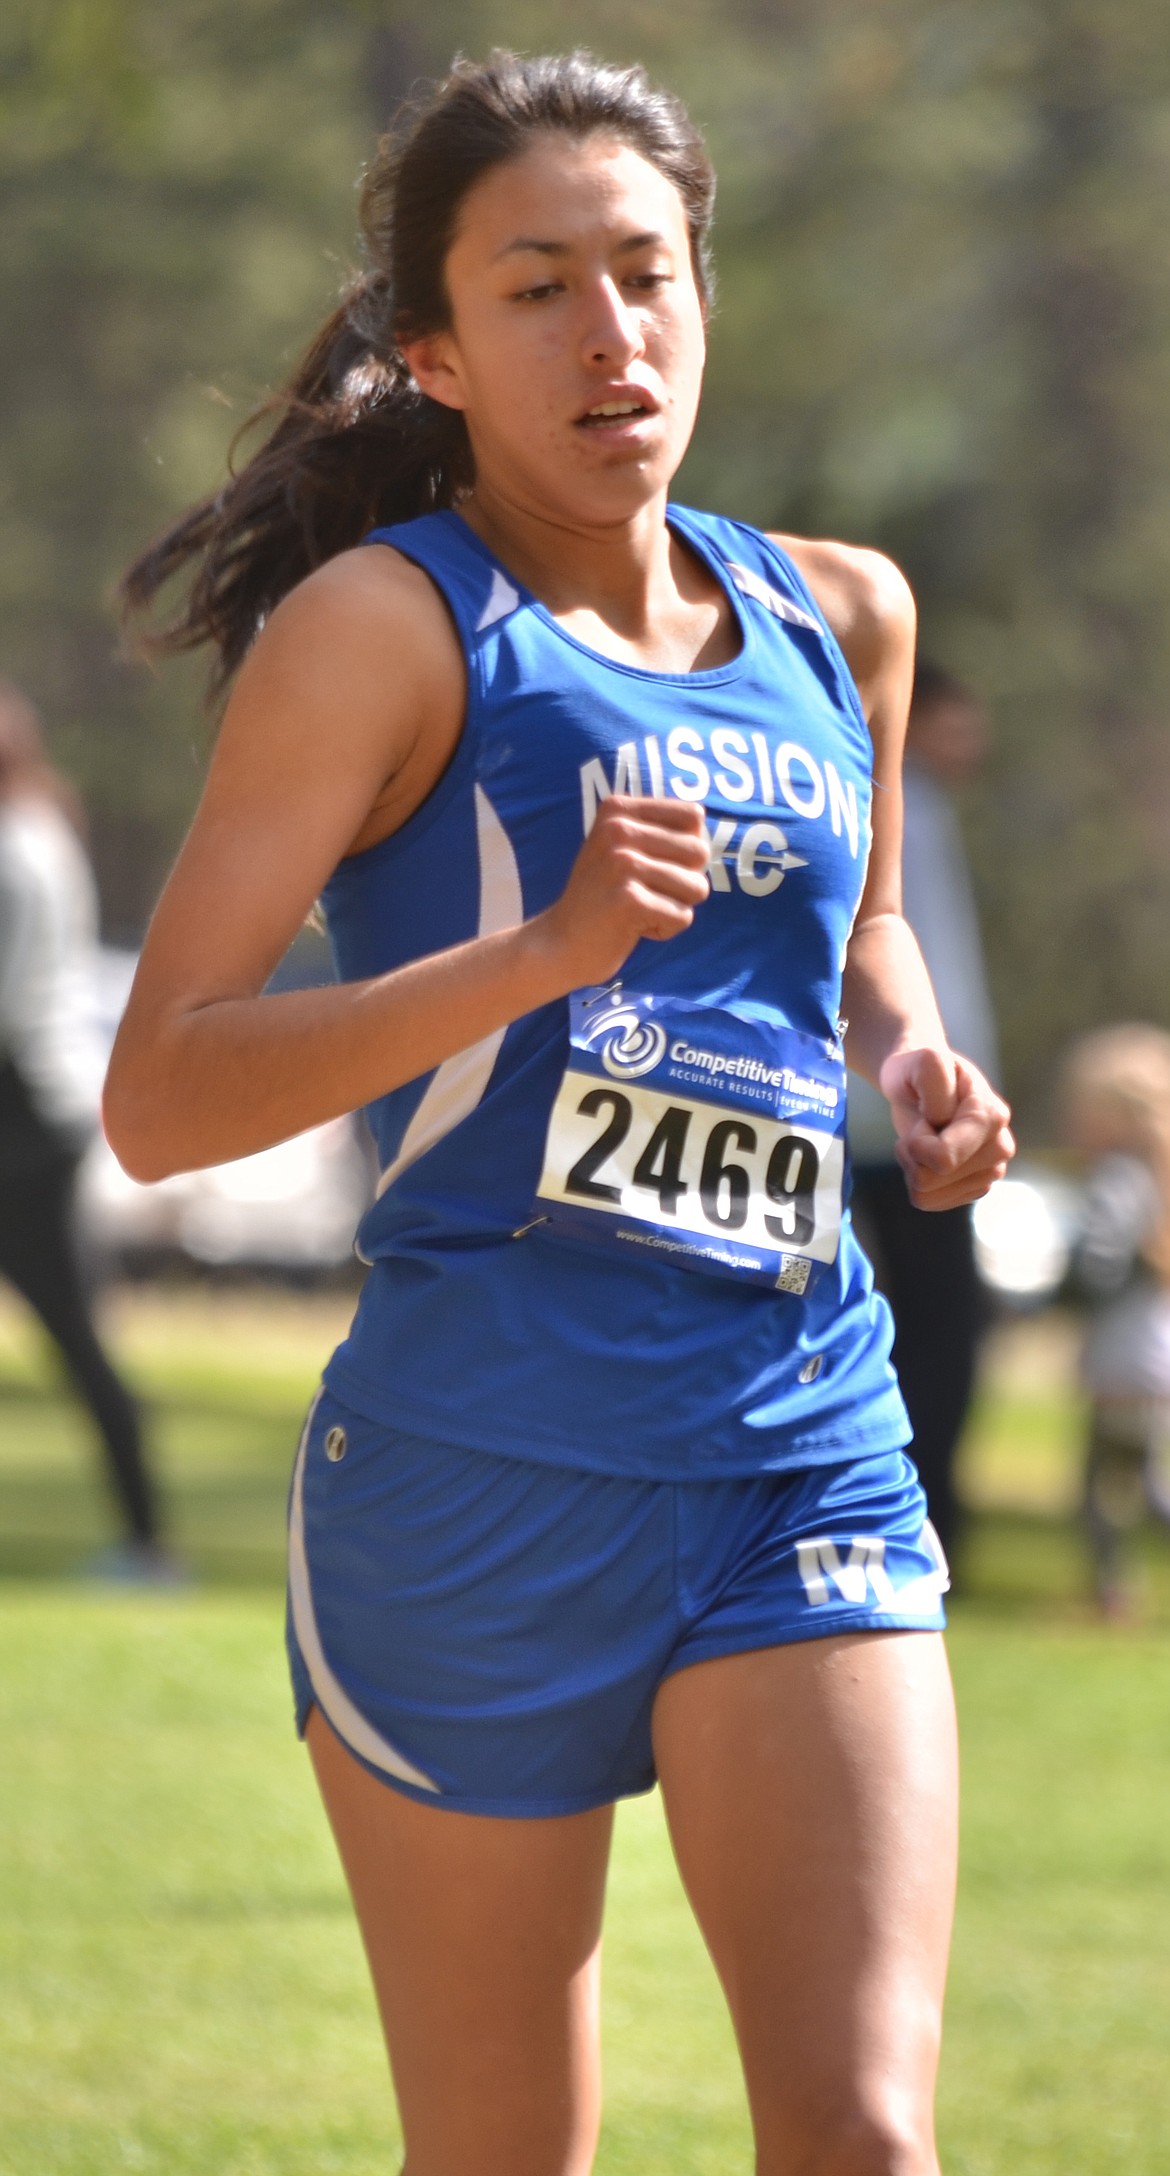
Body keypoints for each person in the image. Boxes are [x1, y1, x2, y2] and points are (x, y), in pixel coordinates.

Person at [108, 52, 1013, 2176]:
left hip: (798, 1434)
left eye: (647, 272)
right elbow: (158, 1092)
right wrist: (540, 953)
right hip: (473, 1481)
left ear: (705, 292)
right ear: (433, 350)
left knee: (871, 2135)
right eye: (537, 288)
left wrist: (911, 1054)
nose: (612, 332)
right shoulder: (382, 631)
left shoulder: (838, 612)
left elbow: (864, 918)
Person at [0, 681, 172, 1580]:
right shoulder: (35, 832)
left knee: (76, 1336)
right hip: (36, 1113)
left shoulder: (17, 851)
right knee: (78, 1336)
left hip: (23, 1119)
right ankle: (147, 1540)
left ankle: (147, 1544)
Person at [847, 662, 1000, 1563]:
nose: (969, 744)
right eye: (954, 723)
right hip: (901, 1120)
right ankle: (922, 1516)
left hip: (882, 1114)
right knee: (940, 1325)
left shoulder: (918, 803)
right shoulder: (902, 804)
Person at [1060, 1025, 1170, 1618]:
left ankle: (1109, 1594)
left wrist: (1065, 1287)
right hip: (1155, 1355)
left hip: (1119, 1360)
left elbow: (1100, 1262)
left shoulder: (1118, 1177)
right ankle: (1111, 1594)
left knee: (1103, 1490)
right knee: (1145, 1484)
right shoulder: (1161, 1172)